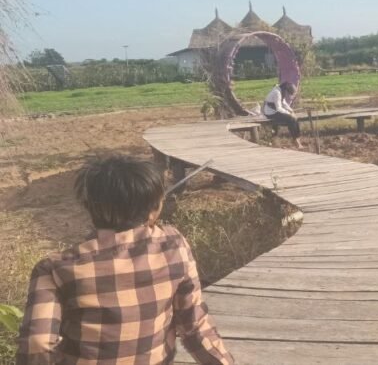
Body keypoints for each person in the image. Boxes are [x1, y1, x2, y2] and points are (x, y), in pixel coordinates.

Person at [17, 155, 234, 365]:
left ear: (89, 206)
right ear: (154, 208)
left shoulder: (55, 269)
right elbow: (195, 327)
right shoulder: (174, 246)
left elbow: (37, 344)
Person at [263, 81, 304, 149]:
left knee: (295, 119)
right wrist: (289, 114)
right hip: (270, 112)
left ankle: (297, 139)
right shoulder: (277, 93)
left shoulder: (282, 90)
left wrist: (291, 111)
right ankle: (296, 141)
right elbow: (279, 108)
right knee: (291, 119)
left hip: (275, 111)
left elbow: (284, 103)